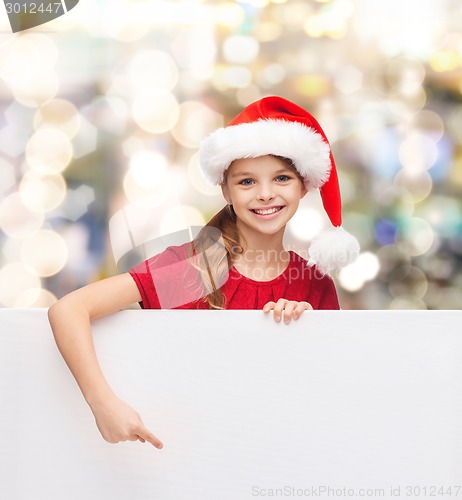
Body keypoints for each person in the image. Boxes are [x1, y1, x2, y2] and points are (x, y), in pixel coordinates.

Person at [48, 96, 359, 450]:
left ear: (303, 186)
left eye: (282, 178)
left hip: (277, 453)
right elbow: (68, 309)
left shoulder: (313, 282)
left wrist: (304, 331)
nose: (266, 194)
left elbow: (327, 387)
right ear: (225, 189)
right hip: (194, 453)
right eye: (246, 182)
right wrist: (104, 404)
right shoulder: (194, 269)